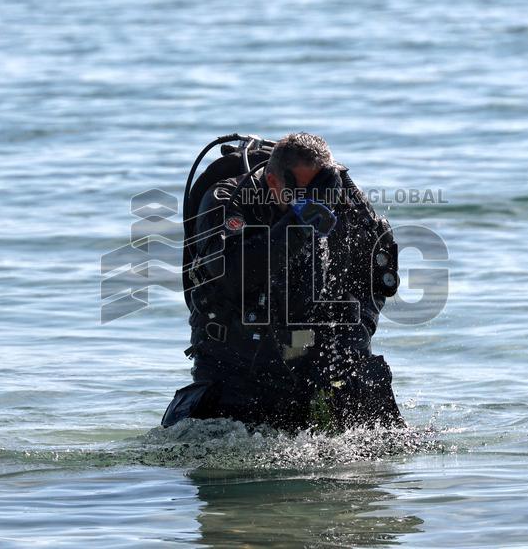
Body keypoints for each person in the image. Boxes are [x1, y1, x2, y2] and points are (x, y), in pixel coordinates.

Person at [162, 133, 404, 431]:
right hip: (235, 367)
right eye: (302, 194)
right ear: (274, 182)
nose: (315, 200)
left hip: (309, 359)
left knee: (382, 437)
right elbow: (235, 274)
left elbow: (378, 279)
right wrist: (301, 222)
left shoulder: (336, 196)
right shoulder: (228, 200)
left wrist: (357, 330)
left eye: (319, 192)